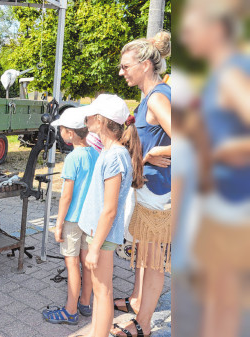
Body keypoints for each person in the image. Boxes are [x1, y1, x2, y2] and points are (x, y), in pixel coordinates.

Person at [180, 3, 250, 336]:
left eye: (192, 27)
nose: (185, 34)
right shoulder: (221, 72)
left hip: (232, 210)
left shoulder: (231, 73)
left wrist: (228, 151)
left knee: (222, 304)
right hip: (220, 206)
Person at [111, 31, 172, 337]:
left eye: (126, 66)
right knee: (147, 261)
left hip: (157, 194)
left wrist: (155, 153)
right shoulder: (152, 95)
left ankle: (143, 326)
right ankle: (140, 311)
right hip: (149, 190)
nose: (122, 72)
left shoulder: (159, 97)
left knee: (153, 263)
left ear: (146, 64)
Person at [77, 94, 144, 337]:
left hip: (101, 235)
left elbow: (110, 208)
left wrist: (94, 248)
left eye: (92, 114)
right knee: (98, 289)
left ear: (102, 120)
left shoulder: (115, 156)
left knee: (102, 291)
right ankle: (96, 331)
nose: (87, 117)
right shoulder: (110, 151)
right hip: (98, 233)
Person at [42, 106, 98, 325]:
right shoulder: (96, 153)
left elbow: (66, 197)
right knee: (87, 263)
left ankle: (70, 311)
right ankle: (85, 303)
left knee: (72, 264)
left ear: (71, 133)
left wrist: (58, 224)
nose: (60, 133)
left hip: (73, 219)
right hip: (90, 219)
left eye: (62, 129)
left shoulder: (73, 158)